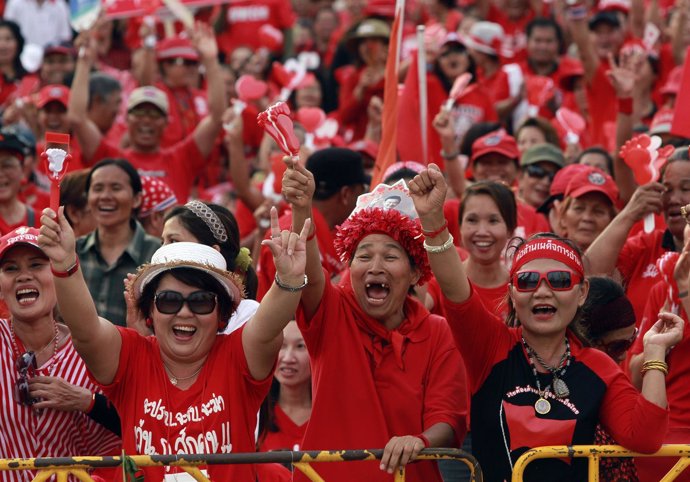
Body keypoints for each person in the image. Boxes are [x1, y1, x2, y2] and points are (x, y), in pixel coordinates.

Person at [408, 163, 683, 482]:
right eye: (527, 281)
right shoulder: (491, 346)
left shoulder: (599, 367)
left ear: (581, 293)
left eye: (559, 279)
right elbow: (456, 290)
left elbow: (644, 437)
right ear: (512, 293)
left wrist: (655, 354)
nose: (542, 290)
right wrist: (432, 220)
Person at [38, 203, 311, 481]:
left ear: (222, 315)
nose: (184, 312)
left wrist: (288, 279)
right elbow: (85, 330)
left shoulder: (238, 355)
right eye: (169, 301)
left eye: (201, 301)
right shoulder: (131, 356)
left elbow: (269, 326)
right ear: (150, 312)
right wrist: (65, 265)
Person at [282, 163, 467, 481]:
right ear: (349, 269)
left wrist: (420, 441)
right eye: (364, 256)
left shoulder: (437, 331)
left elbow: (447, 418)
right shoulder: (333, 312)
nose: (375, 267)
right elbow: (311, 277)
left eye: (391, 256)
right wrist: (302, 208)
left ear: (414, 274)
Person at [0, 226, 121, 481]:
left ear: (57, 276)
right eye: (11, 269)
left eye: (36, 265)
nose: (24, 276)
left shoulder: (91, 344)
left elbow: (136, 423)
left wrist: (87, 402)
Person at [77, 159, 161, 327]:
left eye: (116, 188)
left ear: (137, 199)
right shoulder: (73, 252)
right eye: (98, 188)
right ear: (88, 199)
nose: (105, 196)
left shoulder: (158, 255)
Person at [159, 201, 259, 333]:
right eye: (162, 242)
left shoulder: (247, 315)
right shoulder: (159, 303)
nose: (162, 250)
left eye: (174, 241)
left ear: (213, 253)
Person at [579, 276, 639, 482]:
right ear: (588, 340)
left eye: (631, 341)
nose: (623, 355)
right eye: (617, 346)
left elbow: (646, 436)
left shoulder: (614, 379)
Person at [258, 320, 312, 452]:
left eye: (300, 346)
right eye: (282, 345)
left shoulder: (332, 418)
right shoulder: (256, 415)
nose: (288, 358)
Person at [558, 166, 618, 251]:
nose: (587, 218)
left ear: (613, 220)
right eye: (579, 208)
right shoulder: (544, 258)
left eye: (598, 211)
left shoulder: (626, 261)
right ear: (563, 217)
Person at [517, 143, 564, 210]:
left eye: (554, 176)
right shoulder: (502, 209)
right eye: (537, 172)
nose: (546, 182)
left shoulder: (562, 218)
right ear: (520, 175)